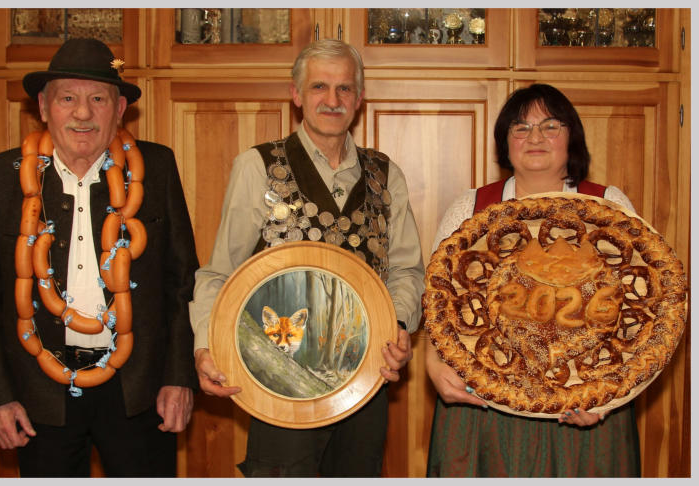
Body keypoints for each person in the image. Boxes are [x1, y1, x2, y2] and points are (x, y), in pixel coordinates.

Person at [0, 38, 199, 477]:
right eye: (67, 98)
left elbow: (182, 283)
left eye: (98, 99)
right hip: (38, 396)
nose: (83, 113)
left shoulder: (158, 168)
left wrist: (179, 377)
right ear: (43, 107)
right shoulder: (0, 177)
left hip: (139, 392)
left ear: (120, 109)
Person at [189, 39, 425, 477]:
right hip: (279, 379)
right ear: (296, 95)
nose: (332, 100)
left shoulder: (385, 173)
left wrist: (394, 326)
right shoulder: (257, 166)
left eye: (344, 88)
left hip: (364, 378)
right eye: (319, 87)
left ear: (359, 97)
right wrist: (207, 345)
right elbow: (220, 273)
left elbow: (406, 269)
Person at [425, 83, 641, 477]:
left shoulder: (609, 206)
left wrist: (606, 401)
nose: (535, 137)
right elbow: (440, 300)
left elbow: (641, 315)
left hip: (582, 401)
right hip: (485, 403)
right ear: (505, 143)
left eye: (550, 126)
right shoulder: (470, 207)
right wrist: (433, 362)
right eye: (521, 128)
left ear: (571, 137)